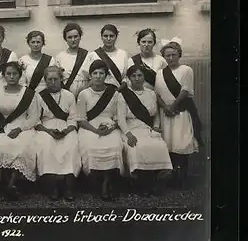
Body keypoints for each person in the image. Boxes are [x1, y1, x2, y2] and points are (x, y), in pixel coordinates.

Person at [117, 65, 173, 196]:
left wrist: (155, 127)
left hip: (147, 128)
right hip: (130, 128)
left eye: (140, 75)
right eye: (133, 76)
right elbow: (121, 119)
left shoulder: (151, 93)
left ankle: (156, 180)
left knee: (159, 145)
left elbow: (156, 116)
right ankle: (141, 183)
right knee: (137, 146)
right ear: (129, 78)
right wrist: (129, 134)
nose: (137, 79)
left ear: (144, 77)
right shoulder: (123, 95)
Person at [154, 40, 203, 189]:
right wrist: (165, 108)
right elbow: (157, 94)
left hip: (180, 112)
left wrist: (172, 106)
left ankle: (183, 177)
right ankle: (172, 176)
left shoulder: (186, 70)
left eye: (173, 55)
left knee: (181, 144)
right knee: (169, 144)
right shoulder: (160, 73)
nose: (170, 58)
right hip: (166, 114)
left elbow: (185, 91)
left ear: (179, 55)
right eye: (167, 55)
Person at [0, 62, 41, 200]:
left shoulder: (28, 93)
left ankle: (11, 185)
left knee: (22, 147)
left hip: (24, 127)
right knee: (1, 145)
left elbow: (34, 117)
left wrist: (20, 129)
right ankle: (10, 184)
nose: (12, 76)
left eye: (15, 73)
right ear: (4, 76)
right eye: (8, 74)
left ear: (20, 75)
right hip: (4, 126)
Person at [77, 60, 124, 201]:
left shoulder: (114, 93)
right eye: (95, 73)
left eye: (101, 73)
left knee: (114, 145)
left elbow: (118, 117)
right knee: (91, 146)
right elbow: (81, 119)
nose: (98, 76)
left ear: (106, 75)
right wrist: (96, 131)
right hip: (89, 126)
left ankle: (106, 182)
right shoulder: (83, 94)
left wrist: (110, 128)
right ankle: (96, 182)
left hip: (109, 126)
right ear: (90, 76)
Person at [35, 66, 81, 201]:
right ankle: (52, 187)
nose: (53, 82)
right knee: (46, 146)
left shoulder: (69, 95)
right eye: (49, 79)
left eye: (56, 79)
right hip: (46, 127)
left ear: (61, 79)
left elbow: (73, 117)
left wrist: (67, 130)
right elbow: (35, 119)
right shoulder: (39, 96)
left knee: (71, 144)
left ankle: (68, 187)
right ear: (45, 80)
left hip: (66, 126)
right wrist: (48, 131)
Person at [81, 24, 129, 91]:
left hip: (117, 92)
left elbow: (126, 76)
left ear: (116, 37)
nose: (108, 39)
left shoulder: (123, 54)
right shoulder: (93, 55)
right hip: (98, 93)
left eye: (111, 36)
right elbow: (86, 77)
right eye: (105, 36)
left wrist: (121, 87)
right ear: (101, 37)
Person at [55, 23, 90, 98]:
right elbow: (56, 79)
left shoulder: (88, 55)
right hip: (66, 96)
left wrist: (84, 92)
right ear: (65, 39)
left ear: (80, 37)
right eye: (70, 37)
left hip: (85, 96)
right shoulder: (60, 57)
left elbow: (93, 78)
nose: (73, 40)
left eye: (75, 36)